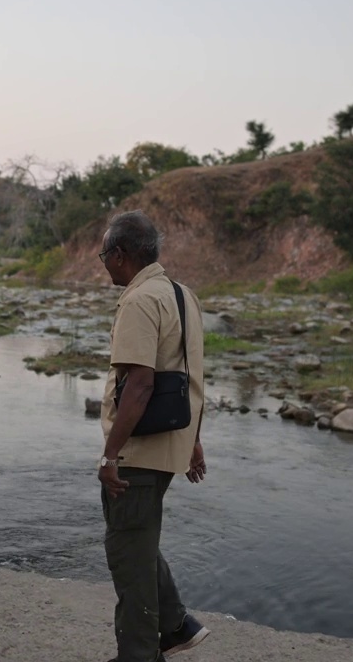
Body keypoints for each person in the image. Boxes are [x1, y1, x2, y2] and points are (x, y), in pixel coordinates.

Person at [96, 211, 210, 662]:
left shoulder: (141, 300)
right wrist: (194, 441)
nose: (103, 262)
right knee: (138, 541)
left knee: (127, 552)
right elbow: (192, 379)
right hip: (170, 444)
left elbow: (141, 384)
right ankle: (177, 625)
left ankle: (140, 654)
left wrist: (110, 455)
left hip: (139, 451)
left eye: (105, 254)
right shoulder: (184, 296)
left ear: (121, 255)